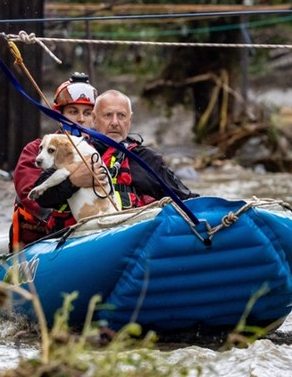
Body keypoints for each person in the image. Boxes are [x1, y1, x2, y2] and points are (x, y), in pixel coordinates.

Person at [33, 88, 196, 217]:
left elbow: (186, 199)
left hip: (128, 234)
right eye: (108, 115)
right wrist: (73, 181)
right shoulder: (74, 150)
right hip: (79, 238)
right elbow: (42, 198)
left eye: (121, 116)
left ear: (130, 120)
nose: (115, 123)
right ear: (94, 119)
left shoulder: (147, 159)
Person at [10, 73, 102, 250]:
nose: (81, 119)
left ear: (95, 118)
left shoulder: (99, 152)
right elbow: (31, 195)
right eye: (73, 112)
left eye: (87, 113)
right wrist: (72, 183)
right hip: (44, 238)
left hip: (91, 233)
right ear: (59, 115)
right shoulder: (36, 150)